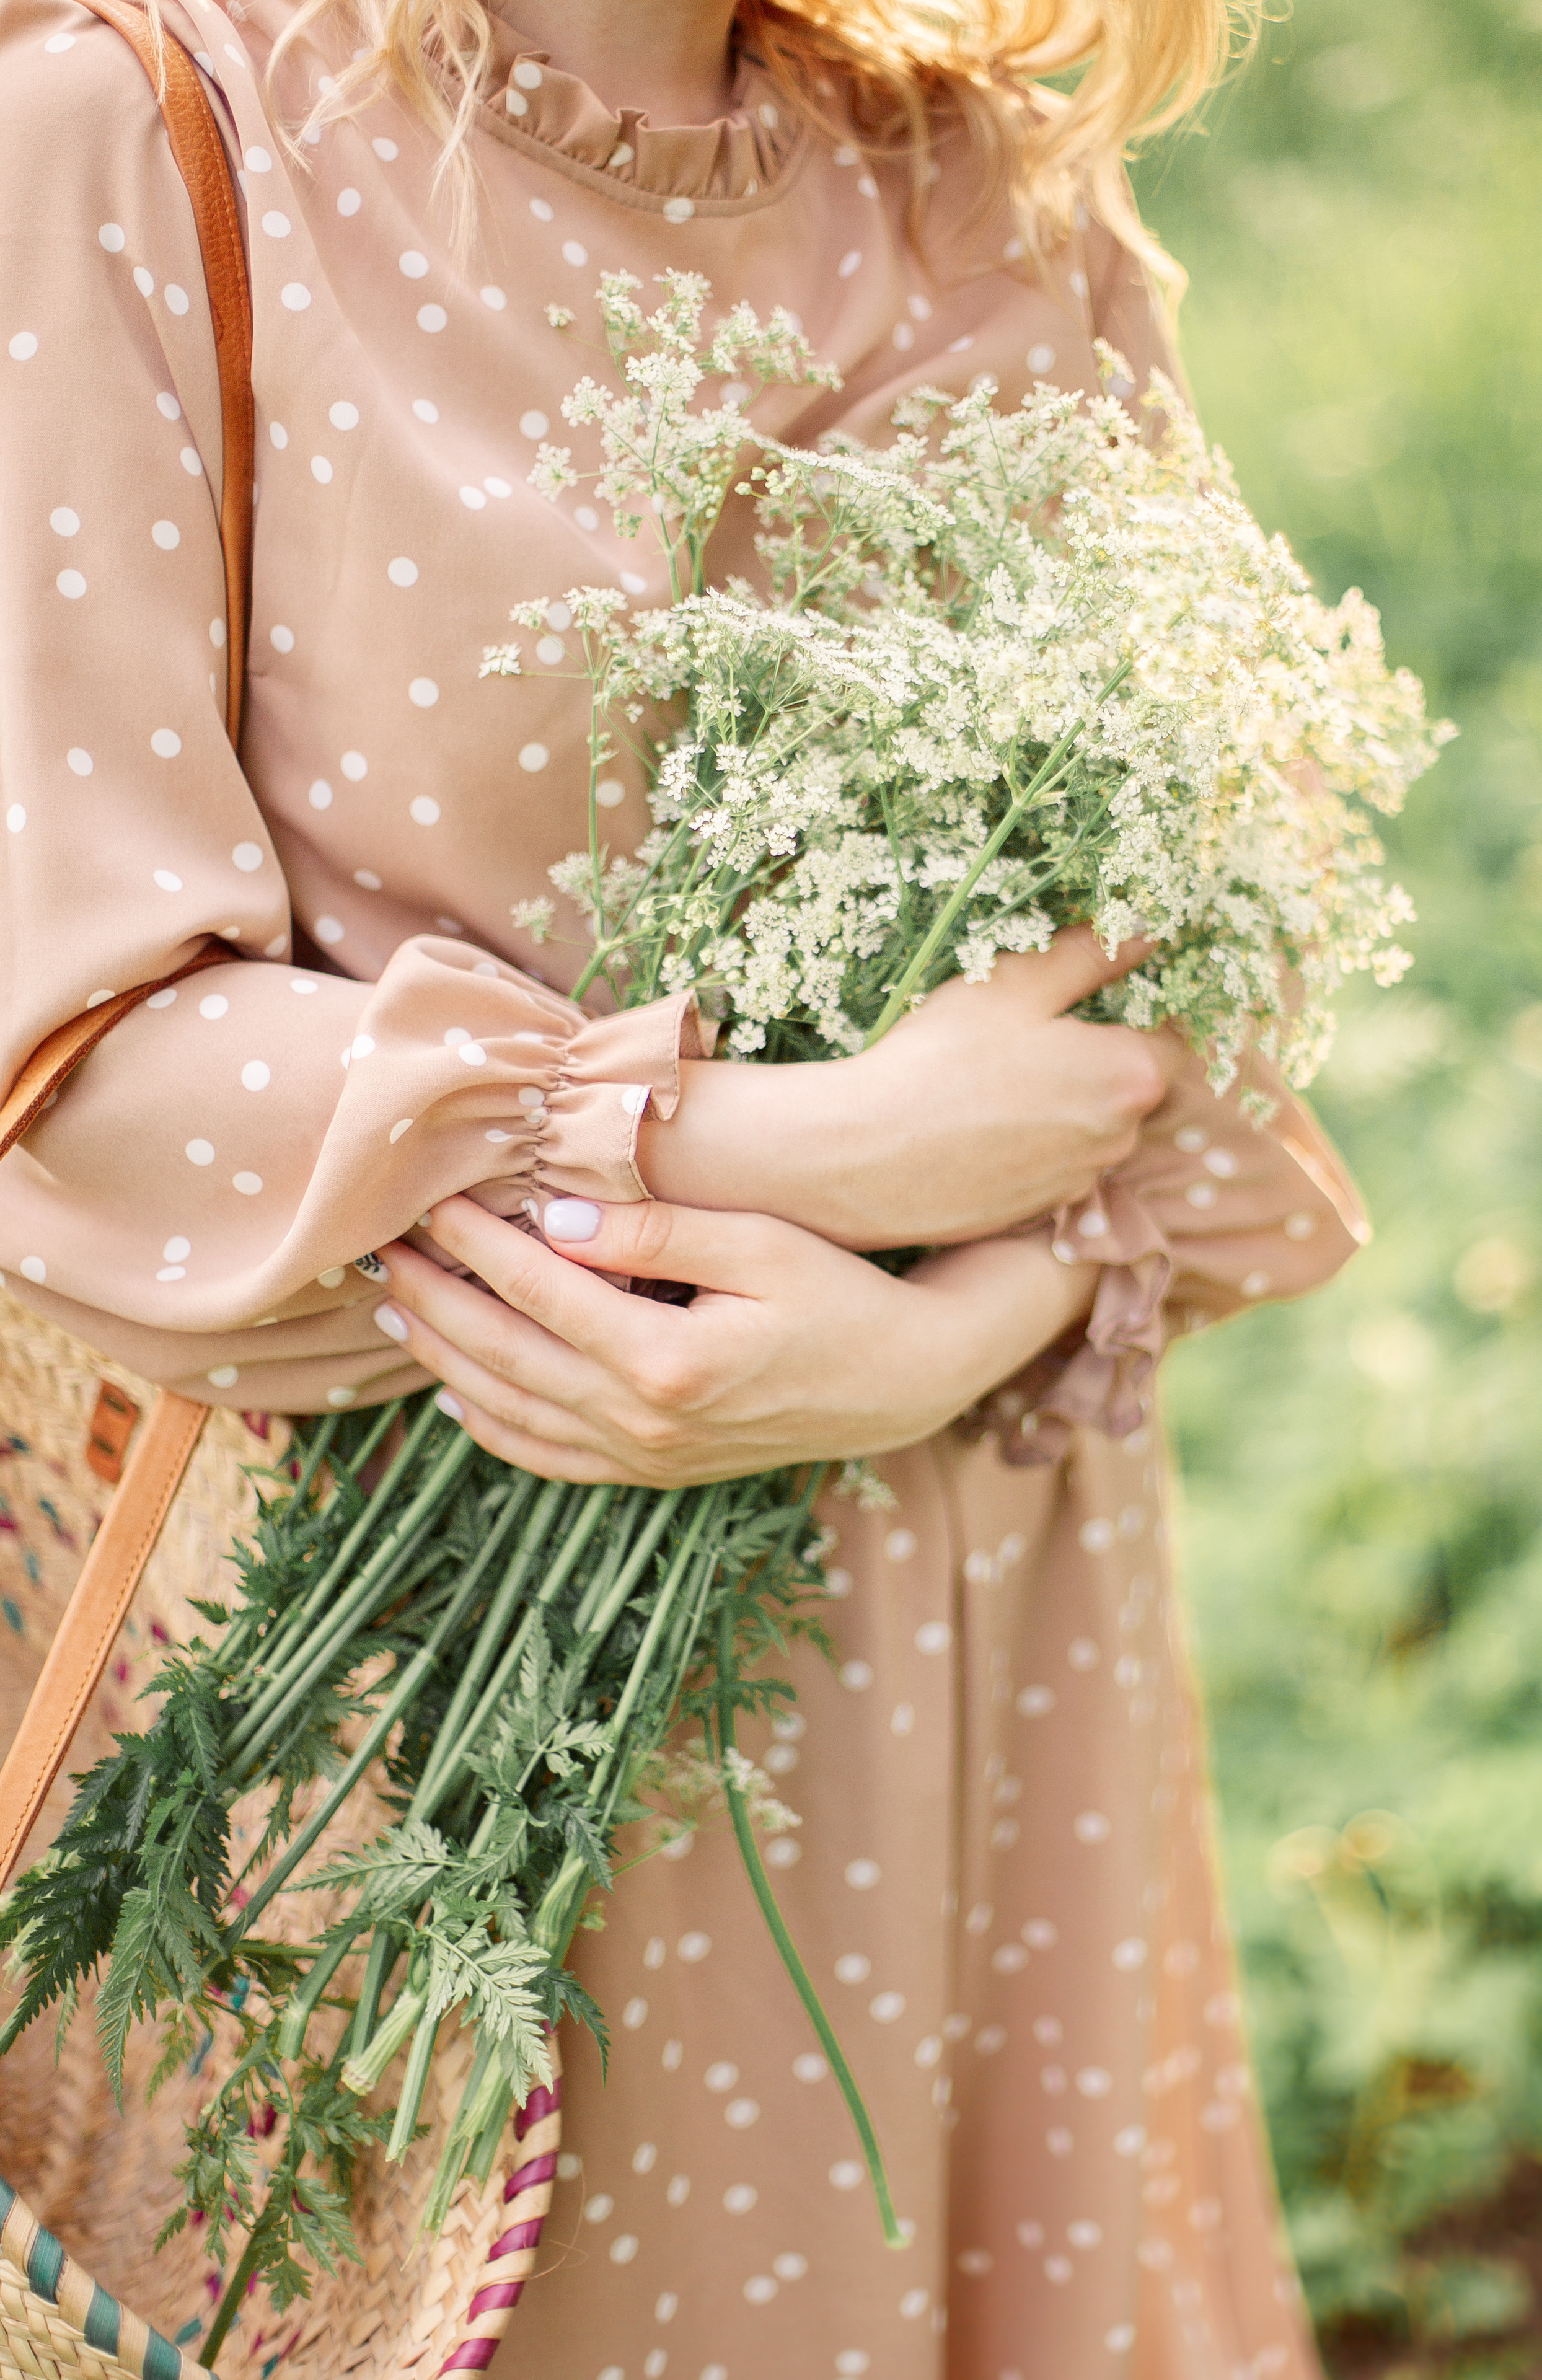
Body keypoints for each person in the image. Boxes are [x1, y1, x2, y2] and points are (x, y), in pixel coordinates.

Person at [0, 0, 1367, 2368]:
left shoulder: (981, 190)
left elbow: (1228, 962)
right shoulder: (133, 131)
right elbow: (74, 1055)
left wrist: (943, 1333)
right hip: (422, 1717)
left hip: (970, 1609)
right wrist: (762, 1144)